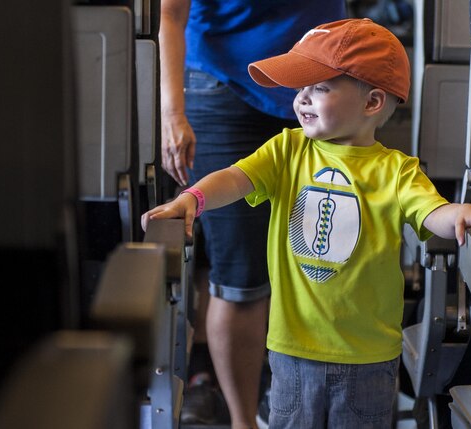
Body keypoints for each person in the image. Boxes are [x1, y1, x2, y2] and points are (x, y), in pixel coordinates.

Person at [144, 18, 471, 428]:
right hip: (292, 349)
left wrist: (459, 213)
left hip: (367, 358)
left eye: (319, 88)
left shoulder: (396, 170)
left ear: (371, 103)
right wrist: (194, 198)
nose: (302, 99)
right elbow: (235, 177)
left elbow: (430, 211)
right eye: (301, 89)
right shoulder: (287, 150)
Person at [157, 0, 346, 427]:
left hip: (324, 86)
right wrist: (172, 113)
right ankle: (244, 421)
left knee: (322, 264)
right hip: (227, 90)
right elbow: (170, 13)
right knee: (242, 272)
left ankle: (295, 406)